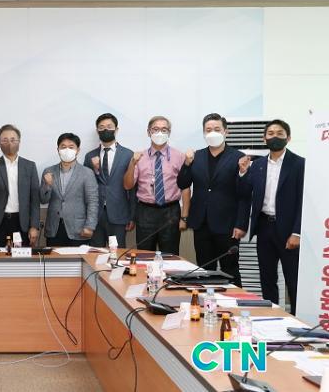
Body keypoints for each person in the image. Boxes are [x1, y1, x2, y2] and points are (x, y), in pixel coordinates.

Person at [238, 119, 304, 314]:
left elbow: (302, 201)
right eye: (271, 133)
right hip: (264, 227)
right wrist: (243, 172)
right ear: (264, 138)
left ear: (288, 138)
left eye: (280, 133)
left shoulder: (299, 164)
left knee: (293, 280)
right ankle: (272, 318)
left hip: (288, 230)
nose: (275, 137)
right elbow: (244, 194)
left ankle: (296, 319)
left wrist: (297, 232)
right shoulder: (257, 165)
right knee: (267, 279)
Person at [177, 113, 250, 287]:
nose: (213, 133)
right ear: (203, 133)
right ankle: (207, 301)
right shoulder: (196, 156)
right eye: (208, 130)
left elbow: (245, 194)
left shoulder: (238, 157)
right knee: (204, 270)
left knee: (230, 270)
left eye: (217, 129)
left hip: (228, 225)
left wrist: (241, 224)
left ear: (226, 132)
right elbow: (182, 183)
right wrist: (186, 164)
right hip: (201, 223)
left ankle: (234, 302)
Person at [123, 116, 191, 253]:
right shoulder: (139, 157)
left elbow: (185, 188)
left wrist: (184, 217)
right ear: (149, 132)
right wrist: (132, 164)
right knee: (145, 255)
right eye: (155, 129)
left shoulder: (179, 156)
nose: (160, 133)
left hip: (171, 212)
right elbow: (127, 186)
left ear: (169, 132)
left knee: (170, 255)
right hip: (145, 212)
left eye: (164, 129)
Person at [83, 113, 136, 248]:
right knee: (95, 253)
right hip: (95, 215)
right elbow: (86, 186)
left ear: (116, 129)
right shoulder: (90, 156)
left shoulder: (128, 154)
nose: (105, 129)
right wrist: (95, 170)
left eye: (109, 126)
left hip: (119, 213)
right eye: (101, 127)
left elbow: (133, 189)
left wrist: (132, 216)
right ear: (97, 131)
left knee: (117, 253)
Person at [0, 124, 40, 247]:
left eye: (13, 139)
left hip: (22, 221)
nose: (9, 143)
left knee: (21, 256)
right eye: (5, 140)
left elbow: (35, 199)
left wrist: (34, 226)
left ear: (19, 142)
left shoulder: (29, 166)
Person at [40, 133, 99, 247]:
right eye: (63, 147)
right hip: (54, 229)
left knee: (77, 258)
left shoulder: (87, 173)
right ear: (58, 150)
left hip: (79, 230)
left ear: (78, 150)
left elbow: (92, 201)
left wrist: (90, 226)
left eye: (71, 147)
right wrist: (47, 185)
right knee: (54, 258)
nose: (67, 150)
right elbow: (43, 200)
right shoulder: (49, 171)